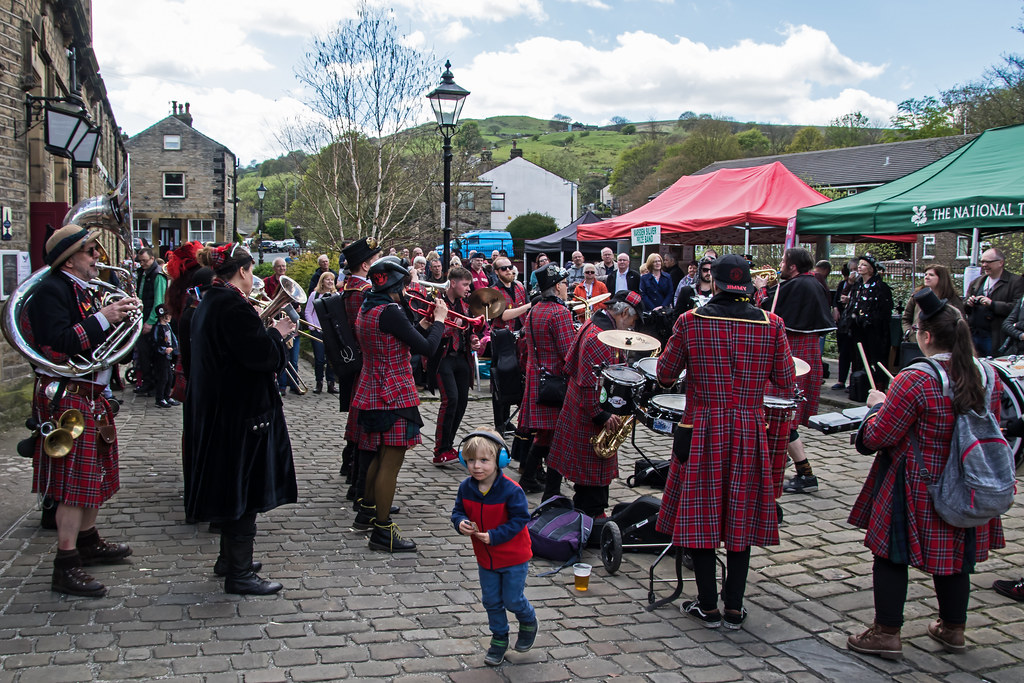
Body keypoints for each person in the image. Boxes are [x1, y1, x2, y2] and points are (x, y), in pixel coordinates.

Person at [847, 288, 1005, 659]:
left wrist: (876, 407)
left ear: (927, 335)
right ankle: (953, 628)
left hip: (915, 480)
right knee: (956, 555)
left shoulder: (915, 378)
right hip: (967, 479)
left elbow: (879, 436)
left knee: (890, 555)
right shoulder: (987, 373)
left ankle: (886, 633)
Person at [656, 255, 795, 630]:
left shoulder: (691, 321)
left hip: (703, 424)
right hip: (749, 426)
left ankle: (707, 604)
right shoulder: (773, 323)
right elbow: (785, 379)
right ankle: (734, 605)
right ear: (746, 285)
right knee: (741, 512)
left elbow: (665, 375)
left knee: (702, 513)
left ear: (713, 283)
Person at [23, 225, 139, 597]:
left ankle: (88, 541)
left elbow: (98, 340)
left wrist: (119, 318)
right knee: (73, 484)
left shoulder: (83, 290)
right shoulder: (51, 291)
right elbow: (61, 341)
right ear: (70, 258)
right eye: (90, 251)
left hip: (90, 391)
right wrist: (106, 317)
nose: (96, 258)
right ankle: (66, 562)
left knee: (94, 476)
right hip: (67, 394)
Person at [185, 242, 298, 595]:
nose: (254, 280)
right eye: (251, 272)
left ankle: (231, 561)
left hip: (224, 408)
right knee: (243, 493)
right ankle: (239, 573)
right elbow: (261, 357)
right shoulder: (232, 305)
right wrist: (278, 335)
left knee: (232, 488)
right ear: (244, 270)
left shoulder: (213, 300)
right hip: (240, 413)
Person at [351, 258, 447, 552]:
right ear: (393, 284)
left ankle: (366, 512)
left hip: (371, 388)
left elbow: (394, 337)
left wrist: (422, 324)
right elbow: (428, 348)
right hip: (393, 391)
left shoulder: (370, 307)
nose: (407, 290)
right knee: (390, 464)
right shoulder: (391, 311)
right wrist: (440, 320)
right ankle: (382, 531)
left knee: (378, 457)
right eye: (404, 285)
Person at [549, 291, 644, 517]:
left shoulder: (594, 324)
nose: (633, 326)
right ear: (623, 313)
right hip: (588, 412)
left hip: (579, 406)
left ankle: (589, 511)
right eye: (633, 320)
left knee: (589, 472)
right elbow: (591, 384)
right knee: (592, 472)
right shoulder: (600, 337)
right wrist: (601, 415)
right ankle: (590, 517)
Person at [451, 430, 536, 667]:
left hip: (513, 557)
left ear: (500, 461)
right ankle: (499, 638)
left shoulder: (511, 490)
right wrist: (460, 523)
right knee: (490, 601)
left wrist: (495, 536)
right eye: (470, 461)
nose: (476, 466)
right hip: (485, 558)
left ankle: (528, 621)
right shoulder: (466, 488)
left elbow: (520, 519)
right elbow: (457, 512)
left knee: (512, 600)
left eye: (484, 460)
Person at [755, 248, 835, 495]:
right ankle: (774, 463)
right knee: (781, 417)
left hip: (791, 353)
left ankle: (805, 473)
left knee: (779, 415)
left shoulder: (790, 286)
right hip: (807, 352)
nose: (779, 264)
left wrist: (760, 288)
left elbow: (765, 314)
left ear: (793, 266)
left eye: (783, 261)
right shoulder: (816, 283)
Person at [519, 265, 576, 494]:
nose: (566, 287)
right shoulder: (559, 312)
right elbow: (568, 353)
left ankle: (530, 478)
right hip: (554, 382)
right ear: (556, 286)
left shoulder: (535, 310)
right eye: (564, 283)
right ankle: (551, 489)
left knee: (546, 434)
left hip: (537, 378)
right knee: (556, 435)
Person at [337, 237, 382, 501]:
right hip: (365, 362)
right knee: (362, 422)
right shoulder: (360, 293)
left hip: (361, 362)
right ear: (366, 266)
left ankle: (352, 468)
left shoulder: (354, 288)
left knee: (359, 419)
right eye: (376, 261)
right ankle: (358, 483)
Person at [428, 267, 482, 465]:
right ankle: (439, 449)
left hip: (462, 357)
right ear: (453, 283)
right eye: (465, 284)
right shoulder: (437, 303)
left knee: (461, 403)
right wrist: (451, 325)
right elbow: (431, 332)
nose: (468, 288)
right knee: (450, 400)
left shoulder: (465, 305)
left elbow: (468, 331)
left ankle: (449, 445)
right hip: (443, 358)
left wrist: (474, 338)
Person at [839, 254, 894, 391]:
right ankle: (858, 384)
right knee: (858, 356)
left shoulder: (880, 287)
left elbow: (885, 310)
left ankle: (877, 386)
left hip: (874, 330)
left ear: (870, 269)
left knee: (875, 356)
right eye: (859, 264)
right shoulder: (857, 286)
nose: (859, 267)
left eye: (863, 265)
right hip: (857, 328)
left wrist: (870, 320)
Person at [965, 248, 1024, 356]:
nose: (984, 265)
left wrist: (993, 304)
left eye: (988, 262)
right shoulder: (977, 282)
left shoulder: (1015, 282)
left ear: (1000, 263)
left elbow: (1018, 308)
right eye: (982, 261)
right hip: (974, 334)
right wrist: (968, 303)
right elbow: (964, 306)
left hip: (996, 336)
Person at [133, 247, 167, 395]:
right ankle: (147, 381)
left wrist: (151, 321)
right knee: (143, 353)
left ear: (152, 259)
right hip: (142, 317)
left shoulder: (158, 275)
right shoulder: (143, 273)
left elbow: (159, 301)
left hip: (151, 320)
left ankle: (154, 384)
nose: (142, 264)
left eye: (145, 261)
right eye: (140, 261)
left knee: (153, 354)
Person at [902, 266, 965, 345]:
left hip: (942, 345)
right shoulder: (917, 296)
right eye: (925, 274)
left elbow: (960, 323)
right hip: (916, 342)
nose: (926, 277)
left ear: (942, 278)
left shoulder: (953, 299)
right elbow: (906, 318)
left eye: (931, 275)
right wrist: (909, 332)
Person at [305, 271, 338, 394]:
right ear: (322, 281)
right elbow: (308, 312)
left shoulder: (336, 295)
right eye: (327, 279)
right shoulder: (315, 294)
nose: (330, 282)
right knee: (319, 359)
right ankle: (319, 382)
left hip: (331, 332)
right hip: (318, 331)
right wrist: (313, 327)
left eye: (332, 280)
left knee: (331, 358)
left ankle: (331, 383)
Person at [831, 259, 860, 391]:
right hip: (843, 322)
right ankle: (841, 380)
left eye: (856, 269)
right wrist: (836, 308)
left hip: (855, 323)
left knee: (855, 353)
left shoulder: (861, 285)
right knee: (843, 352)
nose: (854, 272)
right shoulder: (844, 283)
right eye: (852, 269)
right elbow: (837, 298)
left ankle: (853, 381)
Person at [152, 304, 179, 408]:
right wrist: (164, 349)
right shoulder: (158, 328)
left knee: (169, 377)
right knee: (163, 378)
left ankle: (167, 396)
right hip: (161, 356)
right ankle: (160, 398)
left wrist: (175, 349)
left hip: (169, 355)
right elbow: (156, 342)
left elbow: (172, 339)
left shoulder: (168, 326)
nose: (170, 317)